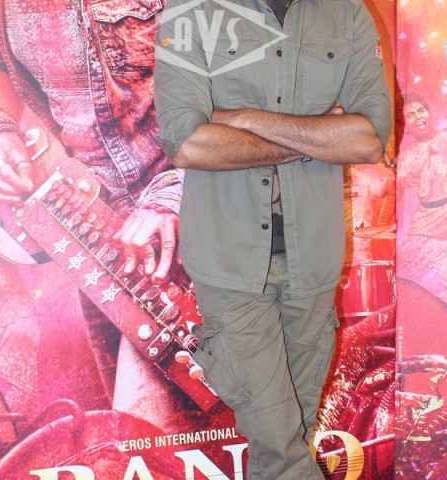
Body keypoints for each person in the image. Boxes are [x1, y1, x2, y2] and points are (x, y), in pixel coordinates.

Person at [154, 0, 391, 478]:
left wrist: (243, 117)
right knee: (282, 450)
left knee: (290, 439)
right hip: (229, 264)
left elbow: (368, 139)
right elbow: (188, 142)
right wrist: (319, 136)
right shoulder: (190, 11)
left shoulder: (346, 13)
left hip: (313, 262)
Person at [0, 0, 187, 428]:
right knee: (138, 444)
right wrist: (0, 130)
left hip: (204, 211)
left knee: (148, 435)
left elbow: (254, 88)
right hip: (97, 243)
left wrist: (176, 194)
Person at [397, 93, 447, 308]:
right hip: (426, 224)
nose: (418, 116)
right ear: (405, 128)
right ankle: (414, 319)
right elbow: (394, 192)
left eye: (421, 111)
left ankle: (434, 320)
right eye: (410, 115)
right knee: (400, 280)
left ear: (429, 113)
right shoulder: (405, 157)